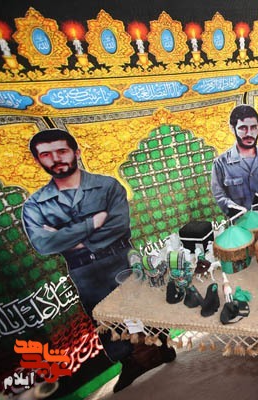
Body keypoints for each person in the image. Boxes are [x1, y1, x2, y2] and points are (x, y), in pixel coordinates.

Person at [22, 129, 175, 393]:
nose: (56, 159)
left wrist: (65, 236)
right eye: (46, 154)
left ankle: (161, 349)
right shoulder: (36, 205)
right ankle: (130, 362)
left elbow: (118, 226)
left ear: (76, 152)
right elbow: (43, 244)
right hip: (84, 270)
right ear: (38, 160)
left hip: (121, 258)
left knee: (143, 308)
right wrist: (92, 223)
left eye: (62, 151)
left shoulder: (107, 186)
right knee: (105, 318)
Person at [211, 105, 258, 223]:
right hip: (240, 228)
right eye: (243, 128)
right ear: (232, 128)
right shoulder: (221, 164)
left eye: (254, 127)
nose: (249, 133)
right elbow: (220, 196)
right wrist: (237, 211)